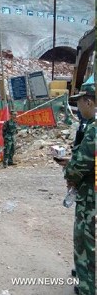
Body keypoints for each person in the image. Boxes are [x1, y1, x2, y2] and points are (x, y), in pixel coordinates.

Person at [63, 82, 95, 295]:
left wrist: (69, 174)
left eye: (80, 103)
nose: (78, 108)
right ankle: (84, 272)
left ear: (89, 101)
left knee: (84, 237)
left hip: (90, 192)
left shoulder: (94, 128)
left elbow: (84, 161)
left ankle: (87, 287)